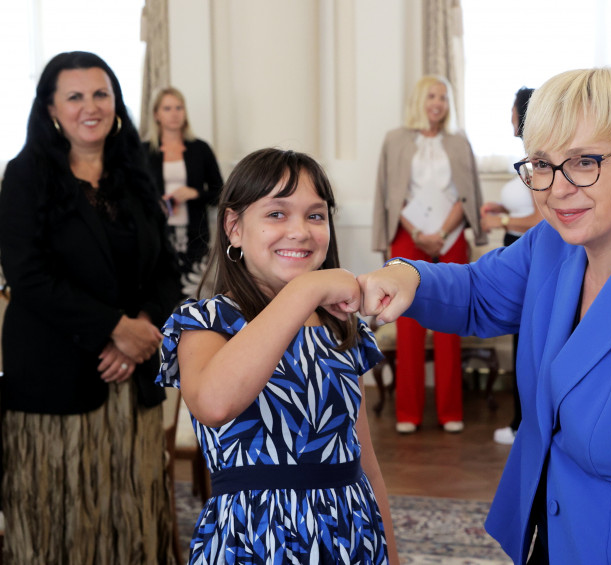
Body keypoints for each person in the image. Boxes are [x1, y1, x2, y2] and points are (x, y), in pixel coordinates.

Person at [359, 68, 611, 564]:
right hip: (556, 535)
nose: (555, 189)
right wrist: (407, 275)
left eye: (584, 162)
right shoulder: (555, 245)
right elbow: (479, 293)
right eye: (542, 164)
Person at [157, 148, 400, 564]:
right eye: (276, 214)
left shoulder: (341, 329)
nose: (300, 231)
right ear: (234, 228)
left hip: (350, 536)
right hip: (256, 540)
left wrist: (390, 554)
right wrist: (306, 289)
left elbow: (366, 461)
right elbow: (214, 404)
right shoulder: (205, 323)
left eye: (315, 215)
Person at [0, 51, 181, 564]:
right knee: (61, 524)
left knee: (131, 520)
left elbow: (165, 269)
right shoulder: (25, 175)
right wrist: (113, 329)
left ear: (117, 102)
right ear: (51, 109)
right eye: (75, 96)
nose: (91, 106)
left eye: (101, 94)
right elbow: (28, 276)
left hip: (132, 379)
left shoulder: (135, 173)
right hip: (54, 381)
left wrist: (140, 327)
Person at [371, 74, 486, 434]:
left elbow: (467, 193)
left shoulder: (459, 141)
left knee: (451, 320)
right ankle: (408, 412)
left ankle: (451, 411)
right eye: (432, 96)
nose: (438, 103)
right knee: (407, 324)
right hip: (408, 236)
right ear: (419, 100)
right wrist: (419, 234)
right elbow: (390, 195)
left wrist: (443, 233)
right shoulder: (395, 140)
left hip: (451, 237)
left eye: (444, 97)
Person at [479, 86, 540, 446]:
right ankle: (521, 422)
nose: (510, 119)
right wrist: (503, 210)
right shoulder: (528, 156)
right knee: (522, 336)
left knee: (526, 340)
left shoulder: (538, 158)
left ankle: (521, 425)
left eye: (512, 112)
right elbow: (525, 209)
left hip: (526, 253)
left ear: (522, 114)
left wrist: (500, 222)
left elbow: (539, 219)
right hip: (517, 251)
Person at [144, 86, 224, 297]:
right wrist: (156, 202)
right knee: (162, 291)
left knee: (196, 293)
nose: (174, 113)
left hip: (195, 234)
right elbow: (135, 194)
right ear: (156, 114)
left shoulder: (201, 149)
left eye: (179, 107)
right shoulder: (144, 151)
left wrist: (194, 193)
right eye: (167, 108)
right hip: (158, 233)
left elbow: (220, 192)